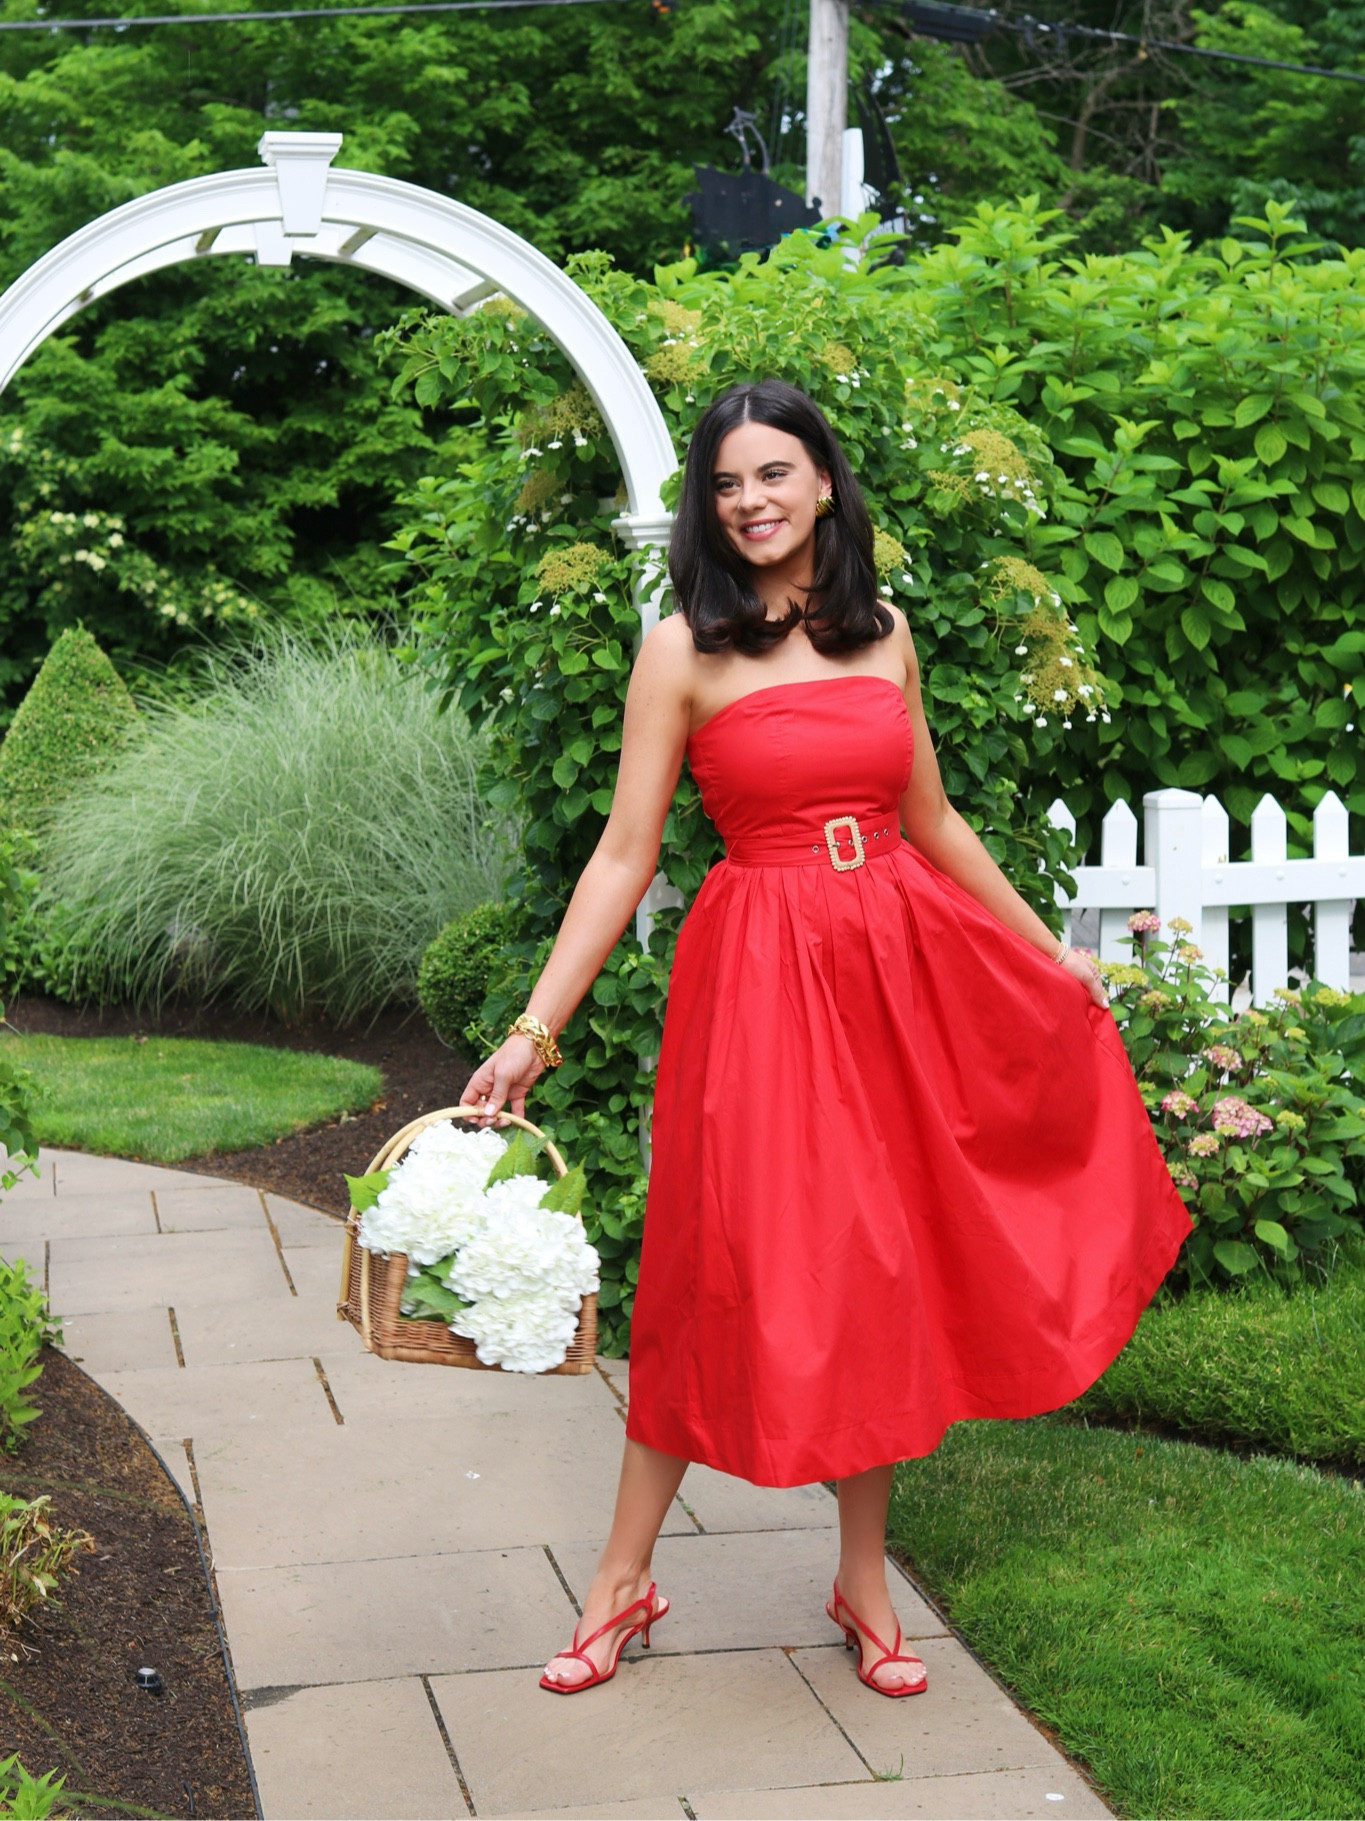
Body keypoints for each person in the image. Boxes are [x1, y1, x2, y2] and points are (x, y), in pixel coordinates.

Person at [460, 379, 1192, 1698]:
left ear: (824, 486)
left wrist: (1046, 954)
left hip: (892, 969)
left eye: (774, 475)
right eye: (729, 482)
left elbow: (938, 821)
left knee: (878, 1267)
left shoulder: (884, 632)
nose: (750, 501)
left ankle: (862, 1582)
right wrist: (532, 1029)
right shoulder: (682, 648)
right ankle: (622, 1577)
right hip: (756, 982)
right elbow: (624, 853)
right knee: (708, 1261)